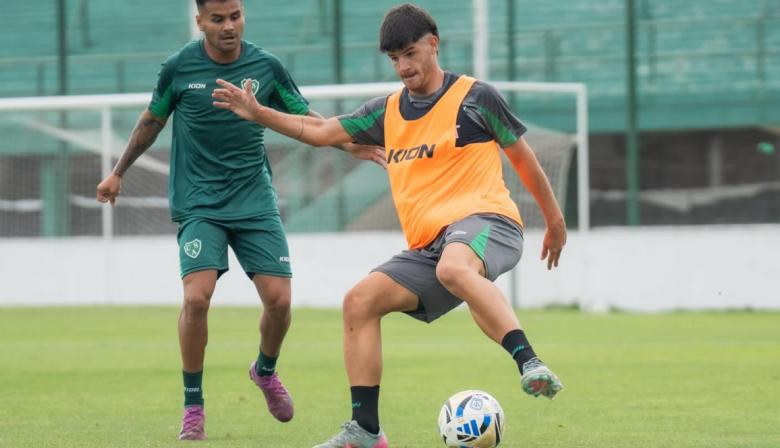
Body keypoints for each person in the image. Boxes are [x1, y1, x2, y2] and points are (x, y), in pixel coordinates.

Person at [212, 3, 567, 447]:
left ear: (433, 45)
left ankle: (529, 362)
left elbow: (523, 159)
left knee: (454, 268)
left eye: (410, 53)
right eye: (394, 58)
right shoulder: (387, 112)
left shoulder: (477, 97)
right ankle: (365, 430)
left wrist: (554, 220)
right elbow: (322, 133)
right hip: (429, 247)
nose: (403, 66)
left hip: (489, 223)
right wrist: (260, 112)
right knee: (359, 302)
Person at [96, 0, 384, 441]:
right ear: (200, 22)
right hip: (199, 203)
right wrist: (118, 172)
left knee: (280, 302)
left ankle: (265, 371)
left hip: (254, 200)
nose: (229, 26)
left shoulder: (266, 66)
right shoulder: (178, 67)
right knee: (197, 298)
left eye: (236, 16)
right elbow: (152, 120)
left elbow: (304, 117)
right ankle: (193, 405)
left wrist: (350, 146)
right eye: (218, 19)